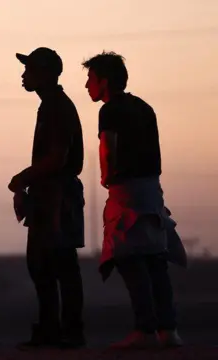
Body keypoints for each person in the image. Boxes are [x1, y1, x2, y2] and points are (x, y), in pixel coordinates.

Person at [82, 51, 186, 349]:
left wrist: (106, 176)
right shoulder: (144, 107)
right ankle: (168, 329)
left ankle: (145, 329)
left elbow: (108, 146)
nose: (87, 86)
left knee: (129, 257)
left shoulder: (110, 110)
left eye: (90, 79)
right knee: (154, 259)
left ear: (103, 82)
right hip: (152, 190)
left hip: (127, 191)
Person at [9, 47, 86, 349]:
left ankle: (66, 331)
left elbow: (57, 158)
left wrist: (23, 178)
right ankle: (56, 329)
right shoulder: (53, 105)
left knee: (57, 264)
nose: (23, 75)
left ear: (44, 73)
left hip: (57, 196)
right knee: (48, 264)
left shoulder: (56, 107)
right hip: (52, 194)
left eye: (28, 69)